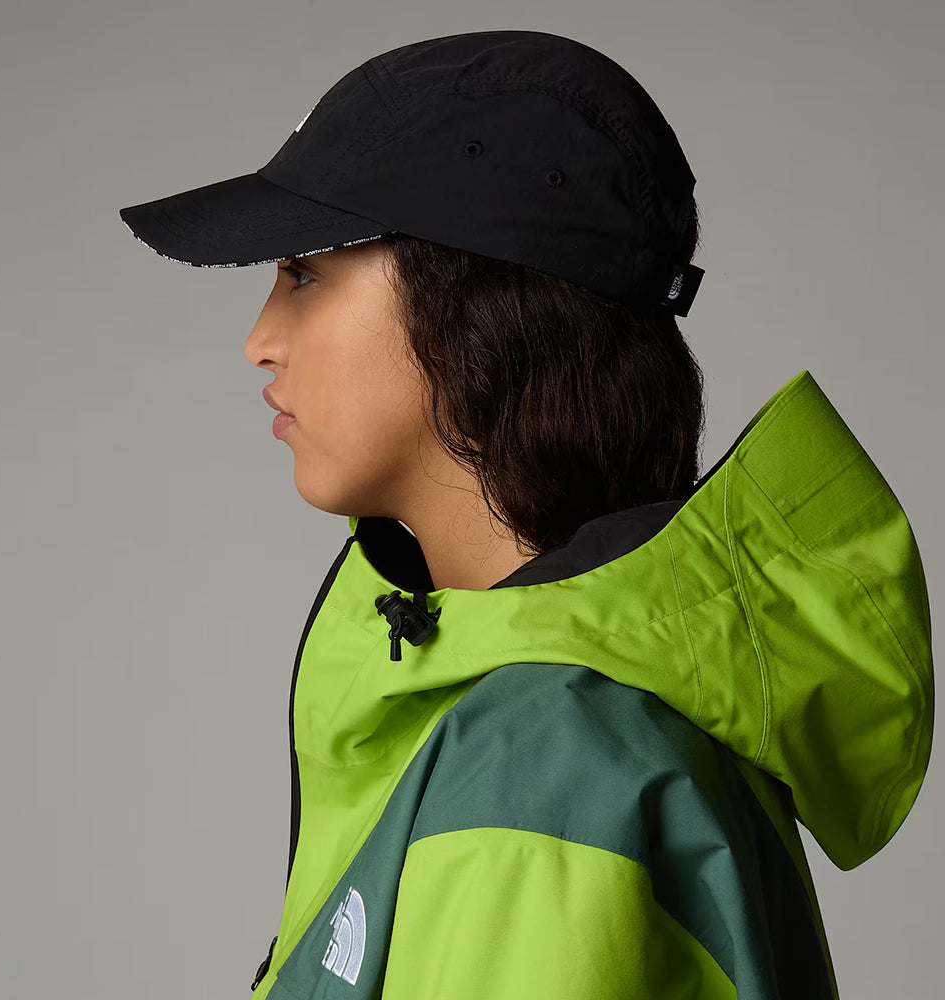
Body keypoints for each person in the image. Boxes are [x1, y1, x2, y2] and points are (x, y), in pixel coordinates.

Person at [119, 29, 934, 999]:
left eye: (304, 273)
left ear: (472, 308)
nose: (260, 339)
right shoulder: (570, 727)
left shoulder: (544, 776)